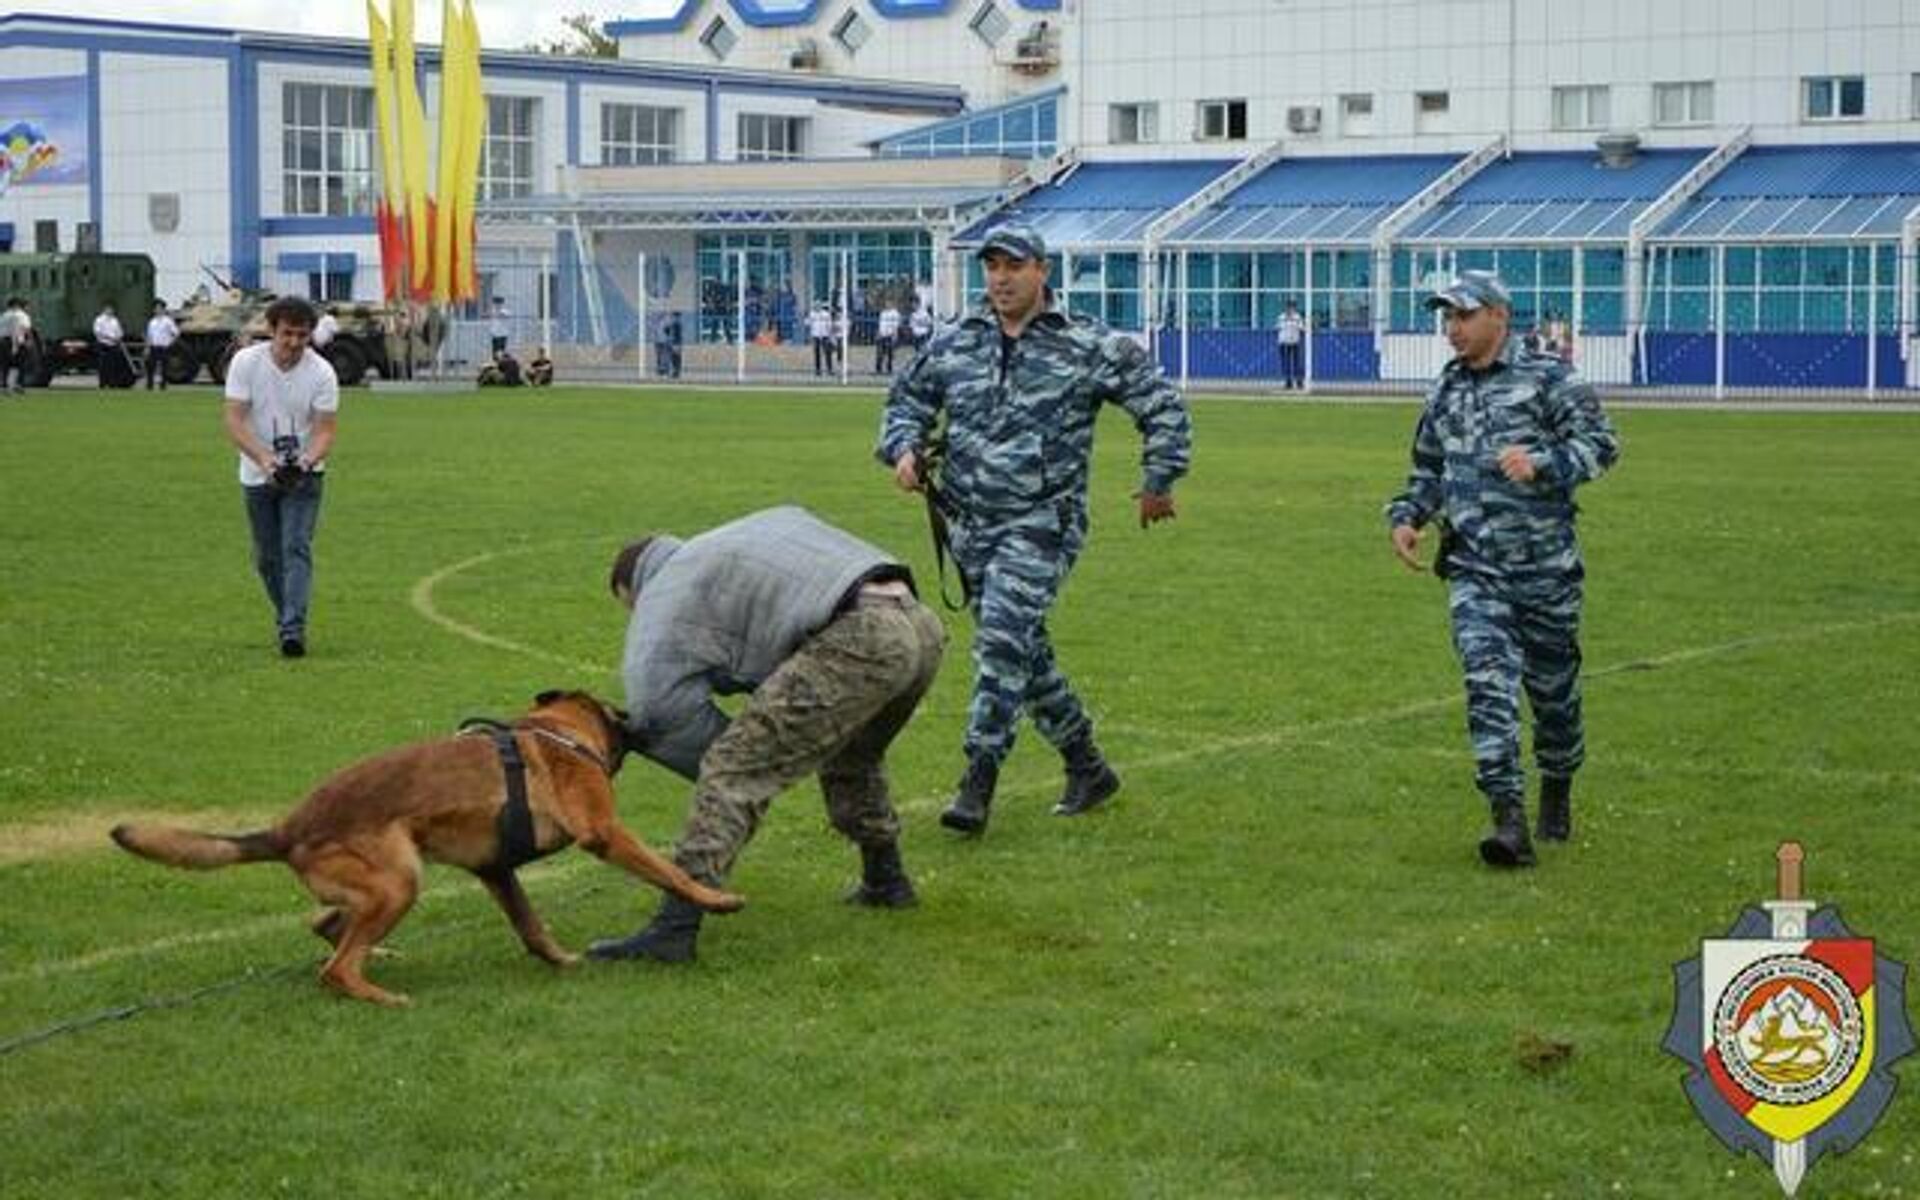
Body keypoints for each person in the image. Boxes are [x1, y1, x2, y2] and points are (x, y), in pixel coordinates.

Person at [877, 223, 1192, 835]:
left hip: (1044, 523)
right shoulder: (955, 341)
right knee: (1024, 649)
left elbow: (1161, 404)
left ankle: (978, 777)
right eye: (991, 266)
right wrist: (905, 450)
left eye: (1013, 266)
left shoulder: (1087, 344)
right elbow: (905, 402)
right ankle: (1086, 763)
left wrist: (1159, 480)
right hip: (969, 524)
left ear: (1042, 271)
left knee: (999, 641)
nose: (999, 278)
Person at [586, 505, 947, 965]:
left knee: (731, 767)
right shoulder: (724, 544)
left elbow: (658, 707)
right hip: (918, 622)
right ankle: (886, 880)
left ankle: (675, 926)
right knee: (853, 756)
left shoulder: (663, 592)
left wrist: (728, 761)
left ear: (633, 588)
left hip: (860, 636)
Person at [1384, 270, 1620, 869]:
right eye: (1446, 318)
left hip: (1545, 570)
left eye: (1462, 316)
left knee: (1554, 697)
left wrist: (1543, 462)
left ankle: (1558, 785)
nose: (1452, 329)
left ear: (1498, 316)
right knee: (1486, 685)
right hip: (1474, 569)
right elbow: (1427, 469)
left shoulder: (1548, 377)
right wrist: (1408, 516)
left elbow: (1602, 444)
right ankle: (1507, 818)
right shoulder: (1446, 389)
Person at [221, 296, 340, 659]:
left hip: (304, 476)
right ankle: (286, 612)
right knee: (267, 558)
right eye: (287, 333)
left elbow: (324, 431)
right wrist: (265, 460)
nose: (293, 342)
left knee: (295, 547)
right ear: (271, 330)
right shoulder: (246, 363)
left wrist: (304, 463)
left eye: (302, 335)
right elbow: (234, 420)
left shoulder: (322, 373)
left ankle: (293, 629)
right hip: (257, 473)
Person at [144, 300, 179, 391]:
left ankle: (163, 386)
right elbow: (149, 335)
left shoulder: (168, 321)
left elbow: (176, 333)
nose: (158, 310)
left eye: (160, 308)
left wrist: (171, 343)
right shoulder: (152, 322)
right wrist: (147, 347)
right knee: (150, 366)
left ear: (163, 309)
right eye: (156, 308)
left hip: (164, 347)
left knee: (165, 367)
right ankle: (149, 385)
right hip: (154, 346)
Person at [0, 296, 30, 395]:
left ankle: (4, 386)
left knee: (5, 365)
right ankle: (19, 385)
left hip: (3, 341)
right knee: (21, 364)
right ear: (17, 305)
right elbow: (25, 328)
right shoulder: (22, 315)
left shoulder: (3, 315)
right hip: (17, 340)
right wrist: (27, 340)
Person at [93, 303, 127, 388]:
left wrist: (118, 338)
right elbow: (98, 332)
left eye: (112, 309)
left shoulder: (115, 320)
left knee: (113, 366)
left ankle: (112, 384)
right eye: (108, 309)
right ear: (104, 309)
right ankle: (102, 384)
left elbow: (120, 332)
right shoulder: (99, 319)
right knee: (103, 365)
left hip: (114, 345)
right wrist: (110, 338)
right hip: (103, 344)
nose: (110, 311)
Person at [1275, 300, 1305, 390]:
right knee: (1286, 363)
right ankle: (1288, 381)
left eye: (1292, 307)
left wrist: (1297, 325)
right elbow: (1277, 327)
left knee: (1297, 363)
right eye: (1289, 307)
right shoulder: (1281, 317)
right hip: (1284, 342)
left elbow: (1301, 327)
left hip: (1294, 342)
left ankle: (1299, 381)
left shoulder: (1297, 317)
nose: (1290, 309)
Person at [807, 300, 834, 377]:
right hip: (816, 335)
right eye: (816, 305)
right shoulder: (812, 314)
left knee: (827, 353)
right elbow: (809, 324)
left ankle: (829, 369)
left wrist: (829, 335)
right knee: (817, 354)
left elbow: (829, 325)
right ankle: (818, 370)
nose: (817, 307)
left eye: (818, 305)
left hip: (825, 335)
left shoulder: (825, 314)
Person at [874, 301, 901, 375]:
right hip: (882, 335)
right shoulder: (883, 313)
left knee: (890, 354)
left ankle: (889, 369)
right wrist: (879, 333)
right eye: (886, 303)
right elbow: (881, 324)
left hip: (890, 336)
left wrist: (894, 335)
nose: (887, 304)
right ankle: (878, 370)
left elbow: (896, 325)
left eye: (889, 303)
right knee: (879, 353)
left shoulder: (895, 313)